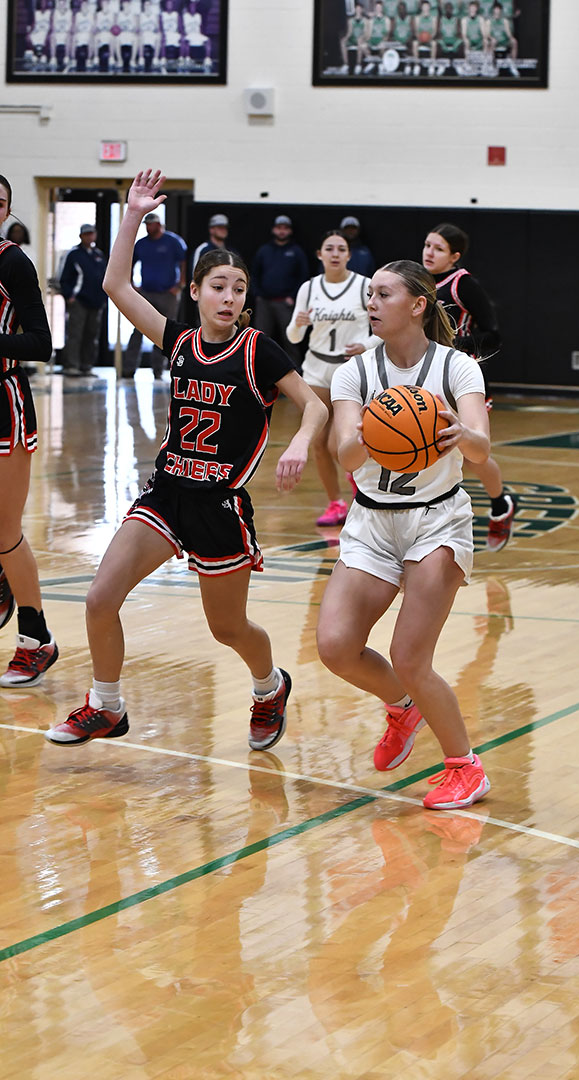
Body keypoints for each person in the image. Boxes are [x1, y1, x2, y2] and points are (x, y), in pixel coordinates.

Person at [44, 169, 327, 749]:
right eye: (219, 286)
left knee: (228, 628)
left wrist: (300, 442)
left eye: (239, 289)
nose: (230, 298)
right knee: (100, 598)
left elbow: (315, 406)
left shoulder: (257, 349)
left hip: (220, 506)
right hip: (167, 494)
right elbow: (116, 286)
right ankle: (106, 705)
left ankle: (269, 686)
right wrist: (132, 215)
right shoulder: (177, 341)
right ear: (195, 291)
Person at [316, 260, 492, 811]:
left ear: (417, 305)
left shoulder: (457, 367)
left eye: (383, 294)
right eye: (369, 294)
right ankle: (402, 706)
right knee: (335, 647)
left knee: (411, 657)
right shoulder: (354, 373)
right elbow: (345, 455)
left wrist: (461, 433)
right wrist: (374, 430)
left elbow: (481, 448)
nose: (371, 302)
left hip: (437, 519)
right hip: (372, 520)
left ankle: (465, 768)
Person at [422, 222, 517, 551]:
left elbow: (493, 335)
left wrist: (454, 343)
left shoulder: (463, 284)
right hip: (423, 373)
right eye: (427, 245)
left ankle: (501, 503)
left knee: (471, 454)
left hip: (460, 376)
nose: (429, 252)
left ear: (454, 256)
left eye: (438, 248)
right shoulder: (415, 282)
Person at [0, 174, 59, 688]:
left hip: (4, 404)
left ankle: (36, 639)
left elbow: (41, 343)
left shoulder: (12, 261)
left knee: (5, 530)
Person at [286, 230, 380, 526]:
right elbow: (293, 336)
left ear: (349, 255)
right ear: (320, 254)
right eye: (329, 248)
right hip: (316, 367)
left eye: (341, 249)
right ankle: (336, 503)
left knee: (336, 443)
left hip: (350, 369)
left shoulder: (365, 285)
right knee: (317, 441)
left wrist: (365, 345)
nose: (335, 253)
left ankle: (361, 485)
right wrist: (298, 324)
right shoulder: (309, 287)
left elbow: (383, 328)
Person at [122, 209, 187, 379]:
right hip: (146, 293)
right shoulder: (141, 244)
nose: (148, 228)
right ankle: (129, 368)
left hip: (168, 294)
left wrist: (180, 284)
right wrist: (131, 283)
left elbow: (183, 262)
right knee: (138, 330)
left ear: (159, 225)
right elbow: (130, 261)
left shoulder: (173, 241)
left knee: (164, 332)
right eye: (147, 225)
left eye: (151, 224)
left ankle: (159, 369)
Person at [251, 215, 309, 367]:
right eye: (279, 228)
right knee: (260, 338)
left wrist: (293, 296)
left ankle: (294, 372)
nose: (282, 231)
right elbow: (254, 274)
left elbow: (303, 276)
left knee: (291, 339)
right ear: (274, 230)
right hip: (264, 302)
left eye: (285, 228)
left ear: (290, 231)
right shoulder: (264, 250)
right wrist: (257, 294)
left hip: (285, 303)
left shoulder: (296, 251)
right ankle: (257, 370)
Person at [59, 223, 108, 376]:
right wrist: (69, 296)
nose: (89, 237)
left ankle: (87, 365)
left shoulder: (98, 255)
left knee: (91, 335)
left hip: (97, 302)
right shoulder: (74, 254)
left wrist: (104, 297)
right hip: (79, 301)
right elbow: (64, 277)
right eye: (86, 234)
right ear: (81, 236)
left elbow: (105, 277)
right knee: (75, 334)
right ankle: (72, 365)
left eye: (91, 233)